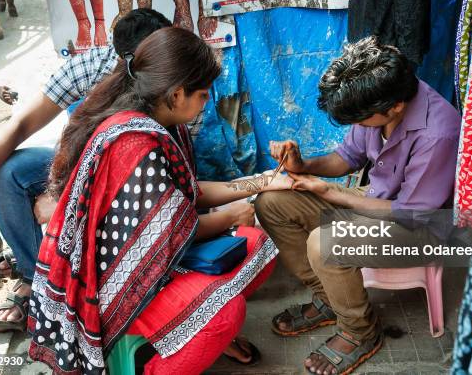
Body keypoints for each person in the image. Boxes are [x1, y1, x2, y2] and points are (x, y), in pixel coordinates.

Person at [28, 27, 291, 374]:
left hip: (146, 261)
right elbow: (171, 234)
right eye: (203, 93)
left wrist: (268, 181)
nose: (208, 101)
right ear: (177, 94)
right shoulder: (135, 142)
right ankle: (157, 360)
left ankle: (185, 334)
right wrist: (230, 217)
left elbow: (189, 194)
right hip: (111, 287)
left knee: (256, 244)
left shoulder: (159, 121)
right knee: (225, 313)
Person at [255, 36, 461, 375]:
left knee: (325, 244)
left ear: (393, 108)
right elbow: (345, 158)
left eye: (361, 121)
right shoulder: (378, 99)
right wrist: (302, 166)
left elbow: (410, 214)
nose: (358, 126)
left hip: (418, 228)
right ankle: (329, 300)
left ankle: (360, 330)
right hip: (377, 203)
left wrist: (332, 193)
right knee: (272, 203)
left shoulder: (438, 132)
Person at [0, 9, 173, 331]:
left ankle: (74, 290)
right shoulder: (92, 67)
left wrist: (66, 198)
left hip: (136, 182)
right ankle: (38, 282)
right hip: (84, 163)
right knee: (7, 172)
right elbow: (18, 126)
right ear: (121, 57)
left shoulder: (175, 83)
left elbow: (148, 173)